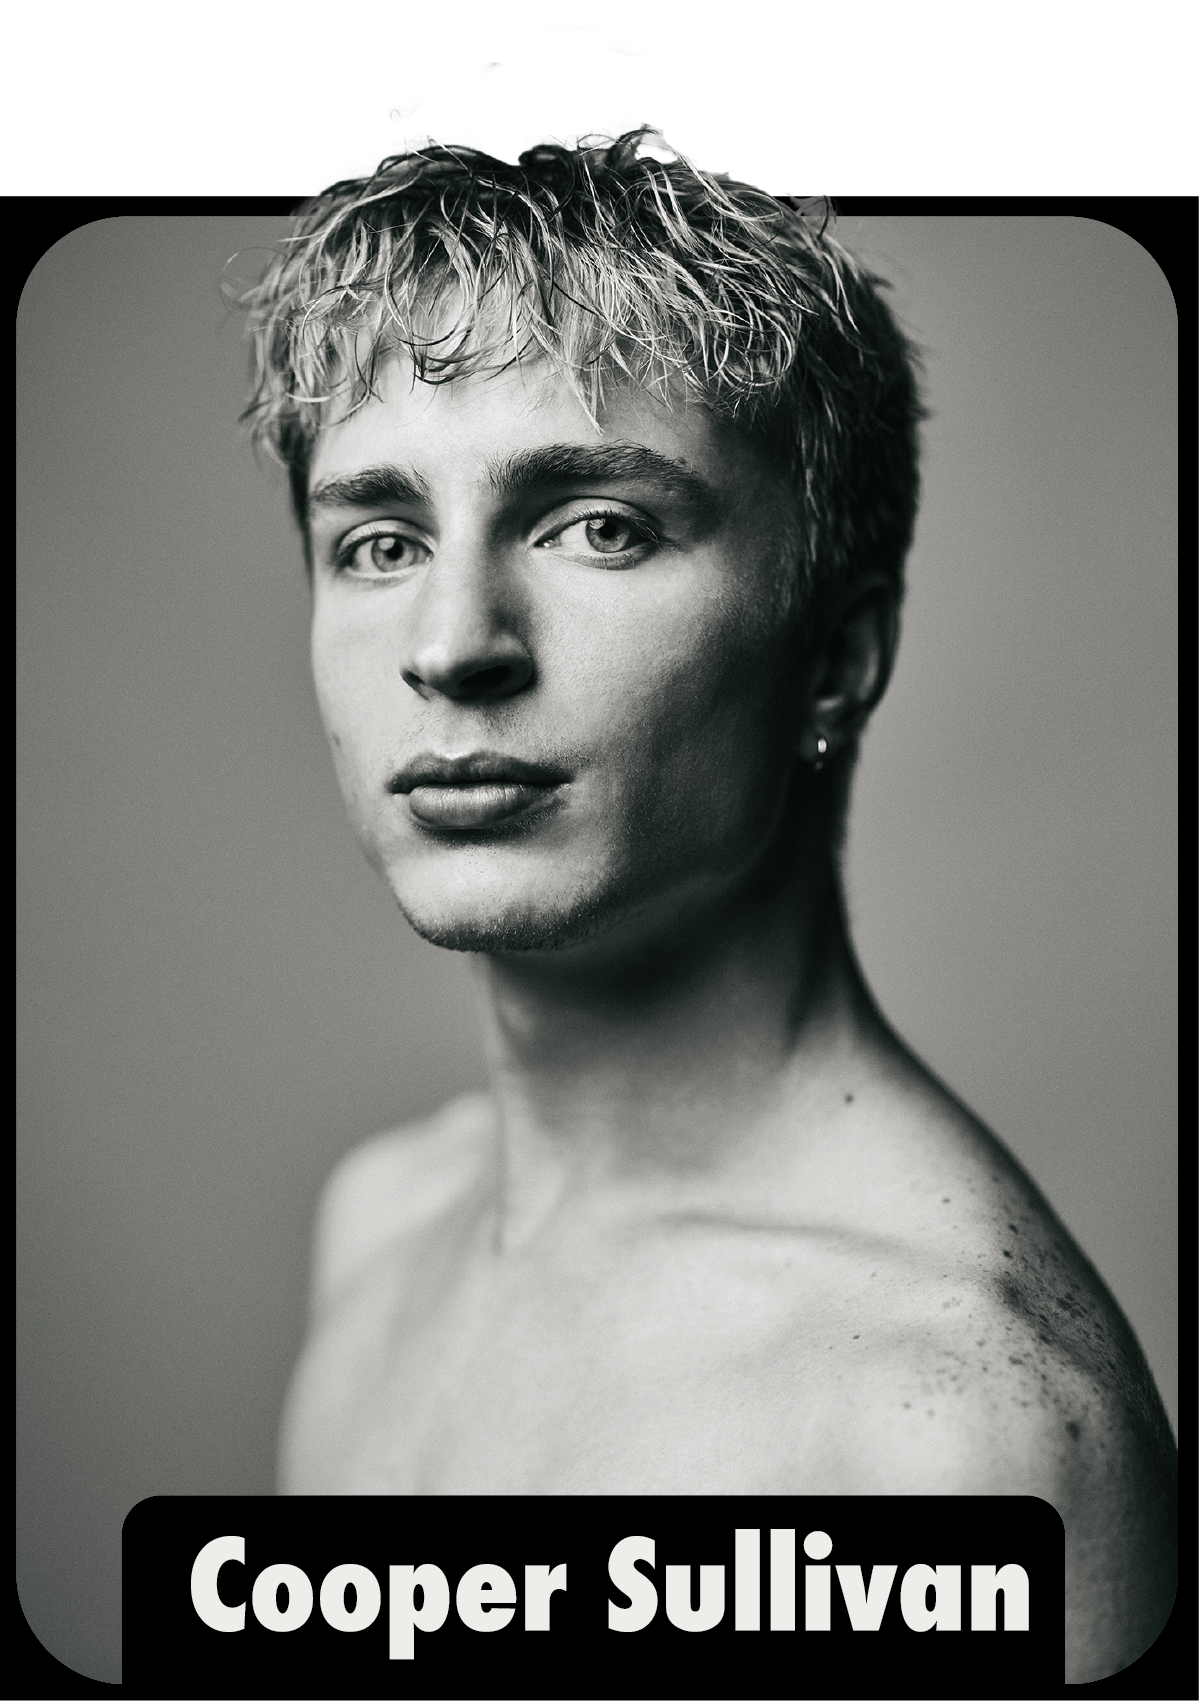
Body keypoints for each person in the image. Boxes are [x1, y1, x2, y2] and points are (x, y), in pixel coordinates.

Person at [237, 129, 1175, 1679]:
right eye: (380, 540)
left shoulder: (957, 1422)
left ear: (834, 653)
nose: (451, 644)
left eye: (598, 524)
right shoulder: (378, 1224)